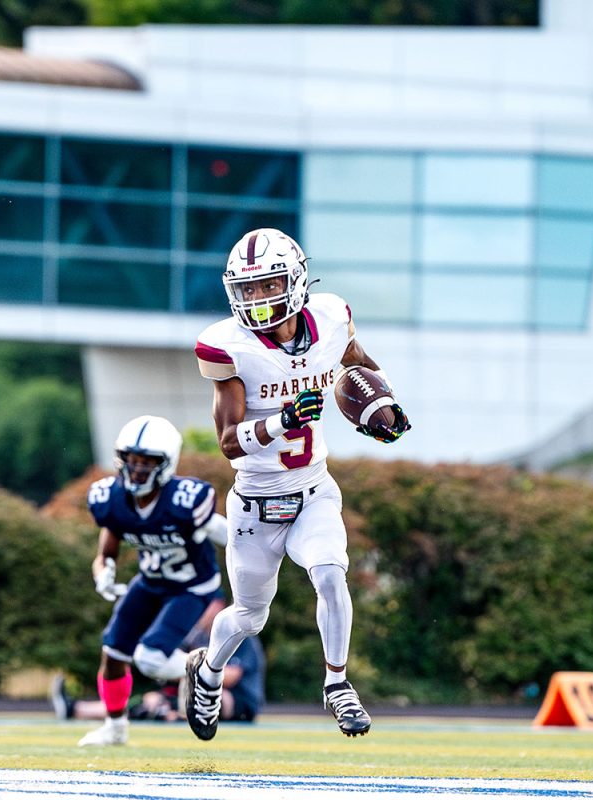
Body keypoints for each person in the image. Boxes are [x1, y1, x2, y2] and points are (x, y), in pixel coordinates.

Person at [185, 228, 410, 741]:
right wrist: (283, 421)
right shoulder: (230, 347)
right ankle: (208, 673)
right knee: (248, 617)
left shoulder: (332, 317)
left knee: (331, 573)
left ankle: (337, 684)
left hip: (313, 490)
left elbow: (357, 364)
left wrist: (383, 406)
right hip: (256, 504)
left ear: (296, 280)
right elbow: (228, 442)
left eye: (269, 286)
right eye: (250, 290)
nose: (259, 300)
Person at [74, 415, 229, 747]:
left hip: (191, 587)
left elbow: (228, 534)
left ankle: (200, 674)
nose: (138, 469)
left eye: (147, 463)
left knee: (150, 658)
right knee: (113, 651)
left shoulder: (186, 500)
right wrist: (104, 574)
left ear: (166, 463)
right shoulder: (112, 500)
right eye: (132, 461)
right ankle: (115, 728)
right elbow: (106, 549)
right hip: (150, 582)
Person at [54, 596, 264, 725]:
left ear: (218, 605)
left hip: (238, 702)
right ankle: (76, 709)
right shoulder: (196, 638)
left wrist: (183, 669)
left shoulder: (236, 633)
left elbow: (230, 678)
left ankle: (170, 713)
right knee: (149, 701)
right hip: (200, 696)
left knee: (175, 700)